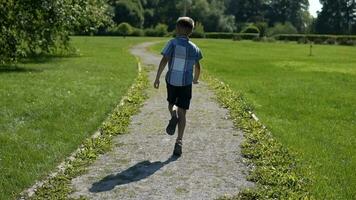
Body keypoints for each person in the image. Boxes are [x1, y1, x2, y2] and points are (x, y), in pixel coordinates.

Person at [153, 17, 203, 157]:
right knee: (183, 112)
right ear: (191, 31)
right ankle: (179, 141)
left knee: (171, 104)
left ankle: (173, 115)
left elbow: (164, 60)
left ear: (177, 29)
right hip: (186, 83)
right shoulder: (194, 48)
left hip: (172, 81)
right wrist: (195, 79)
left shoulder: (172, 43)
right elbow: (198, 67)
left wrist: (157, 78)